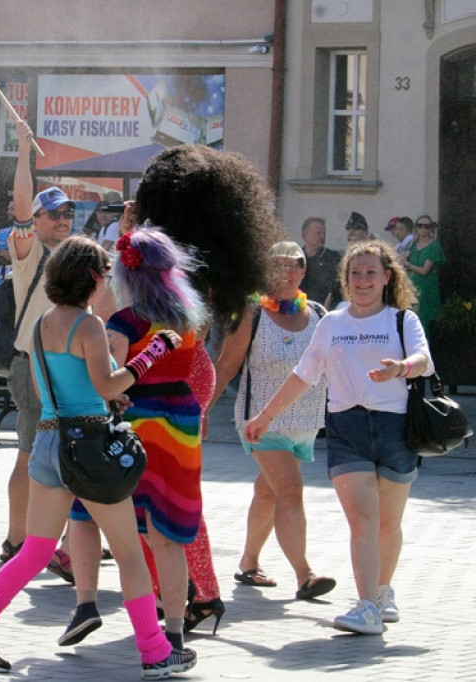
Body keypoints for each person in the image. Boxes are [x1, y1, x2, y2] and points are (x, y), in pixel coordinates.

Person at [0, 235, 196, 680]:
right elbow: (108, 386)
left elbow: (49, 390)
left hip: (48, 443)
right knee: (129, 554)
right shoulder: (90, 325)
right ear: (94, 279)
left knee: (34, 552)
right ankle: (156, 651)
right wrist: (153, 353)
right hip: (90, 447)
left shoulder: (42, 323)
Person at [65, 144, 284, 643]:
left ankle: (194, 594)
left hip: (159, 379)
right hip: (189, 374)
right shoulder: (191, 261)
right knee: (172, 493)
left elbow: (102, 315)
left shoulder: (145, 256)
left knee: (153, 493)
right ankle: (189, 593)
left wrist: (125, 237)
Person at [245, 240, 432, 635]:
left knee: (388, 524)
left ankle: (382, 591)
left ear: (386, 278)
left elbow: (424, 361)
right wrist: (265, 416)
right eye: (355, 273)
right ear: (346, 279)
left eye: (370, 273)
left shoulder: (401, 321)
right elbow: (303, 375)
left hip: (396, 429)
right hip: (347, 429)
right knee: (363, 520)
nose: (362, 280)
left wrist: (400, 367)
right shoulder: (332, 323)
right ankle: (366, 607)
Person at [63, 228, 208, 654]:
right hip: (181, 422)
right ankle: (176, 631)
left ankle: (85, 603)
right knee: (167, 532)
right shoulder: (187, 321)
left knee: (86, 510)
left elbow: (111, 382)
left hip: (137, 423)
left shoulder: (124, 323)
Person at [207, 242, 335, 606]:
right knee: (290, 493)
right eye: (277, 267)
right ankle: (305, 575)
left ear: (303, 272)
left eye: (293, 266)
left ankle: (248, 563)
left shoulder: (319, 314)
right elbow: (227, 366)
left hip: (306, 422)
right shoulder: (253, 315)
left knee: (268, 491)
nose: (285, 273)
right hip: (260, 423)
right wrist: (202, 411)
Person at [1, 120, 75, 564]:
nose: (64, 221)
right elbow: (23, 207)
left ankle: (57, 544)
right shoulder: (30, 252)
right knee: (30, 454)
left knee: (62, 459)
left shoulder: (73, 255)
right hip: (32, 366)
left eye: (69, 214)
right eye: (56, 214)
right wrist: (25, 150)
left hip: (65, 371)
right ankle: (15, 542)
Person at [402, 214, 444, 331]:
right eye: (420, 226)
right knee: (409, 320)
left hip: (425, 289)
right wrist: (404, 258)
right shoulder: (411, 245)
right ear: (416, 228)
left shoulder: (434, 246)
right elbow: (402, 266)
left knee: (422, 322)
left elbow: (424, 270)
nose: (423, 229)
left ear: (431, 228)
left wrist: (409, 265)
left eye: (426, 226)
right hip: (411, 287)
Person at [300, 216, 342, 309]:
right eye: (318, 233)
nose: (322, 237)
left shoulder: (333, 258)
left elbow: (336, 289)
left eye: (324, 233)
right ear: (305, 235)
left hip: (324, 311)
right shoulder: (297, 258)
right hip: (298, 310)